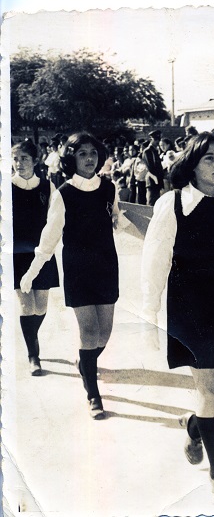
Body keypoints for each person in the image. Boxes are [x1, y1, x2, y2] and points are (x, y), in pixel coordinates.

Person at [141, 132, 214, 507]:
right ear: (192, 164)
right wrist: (150, 312)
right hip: (190, 301)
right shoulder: (172, 204)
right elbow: (155, 259)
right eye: (209, 158)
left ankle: (194, 426)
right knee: (209, 392)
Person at [20, 132, 121, 419]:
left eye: (93, 153)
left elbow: (117, 218)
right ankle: (93, 394)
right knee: (88, 332)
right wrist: (31, 271)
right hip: (78, 268)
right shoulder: (63, 194)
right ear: (71, 159)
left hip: (106, 267)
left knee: (104, 334)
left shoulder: (109, 188)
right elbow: (49, 238)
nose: (89, 159)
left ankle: (84, 363)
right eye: (82, 154)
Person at [12, 140, 60, 376]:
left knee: (40, 306)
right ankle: (34, 354)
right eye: (15, 158)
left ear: (35, 161)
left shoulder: (48, 187)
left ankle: (32, 335)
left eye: (24, 158)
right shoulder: (6, 187)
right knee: (26, 305)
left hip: (43, 254)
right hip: (17, 255)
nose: (19, 163)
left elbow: (56, 220)